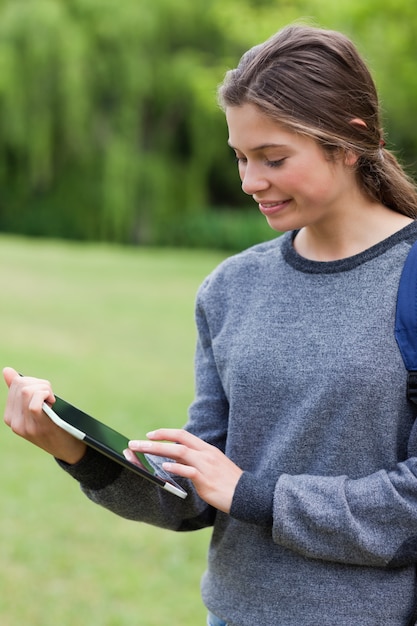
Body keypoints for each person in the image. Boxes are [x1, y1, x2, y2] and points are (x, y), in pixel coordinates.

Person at [4, 23, 417, 626]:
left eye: (274, 158)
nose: (251, 182)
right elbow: (201, 491)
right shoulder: (232, 288)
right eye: (242, 157)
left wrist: (253, 493)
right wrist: (76, 448)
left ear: (350, 142)